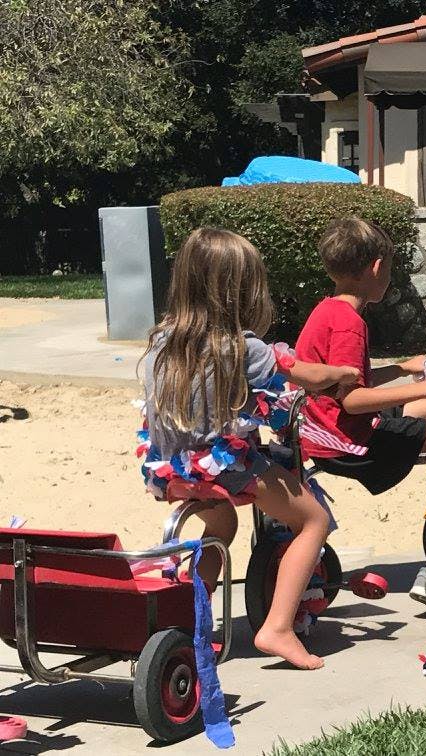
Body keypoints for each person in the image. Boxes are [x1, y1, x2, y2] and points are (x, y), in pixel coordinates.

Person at [140, 228, 360, 670]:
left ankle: (187, 616)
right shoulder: (241, 348)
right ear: (241, 293)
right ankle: (277, 627)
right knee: (312, 520)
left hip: (170, 465)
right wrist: (341, 371)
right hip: (222, 465)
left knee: (220, 526)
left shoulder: (164, 340)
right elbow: (306, 375)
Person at [294, 217, 426, 503]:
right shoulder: (349, 323)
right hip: (346, 444)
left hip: (322, 431)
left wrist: (402, 368)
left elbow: (346, 383)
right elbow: (353, 400)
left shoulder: (327, 310)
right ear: (377, 267)